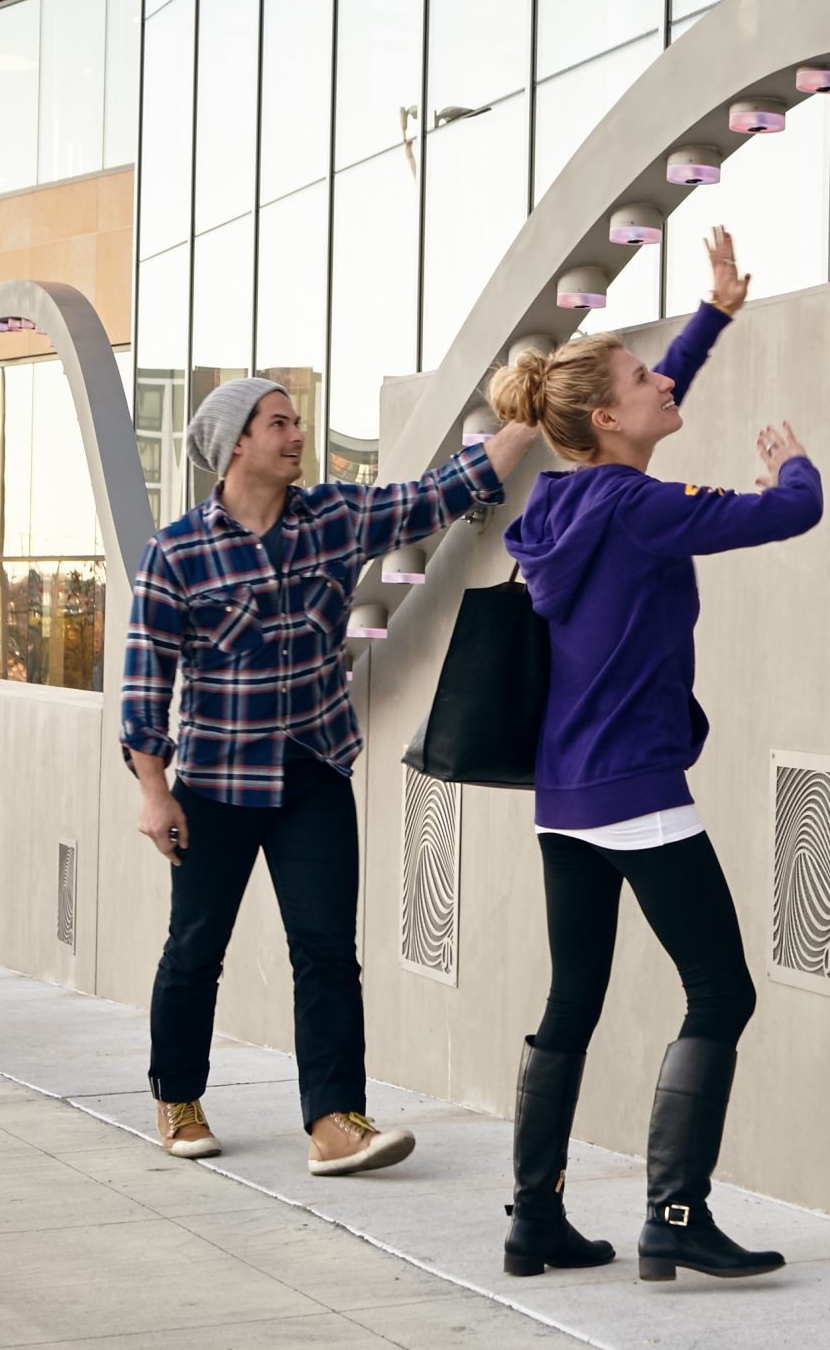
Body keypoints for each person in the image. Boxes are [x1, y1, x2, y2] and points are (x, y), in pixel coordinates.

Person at [488, 227, 822, 1282]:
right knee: (721, 992)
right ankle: (674, 1213)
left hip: (563, 793)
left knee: (571, 1000)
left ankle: (533, 1219)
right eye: (640, 379)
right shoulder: (634, 508)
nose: (659, 384)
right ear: (600, 416)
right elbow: (792, 512)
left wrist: (712, 316)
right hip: (636, 790)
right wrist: (793, 463)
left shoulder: (564, 498)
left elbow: (643, 407)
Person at [121, 376, 537, 1175]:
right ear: (237, 440)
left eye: (295, 421)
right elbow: (148, 682)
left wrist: (523, 419)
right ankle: (178, 1095)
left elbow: (440, 493)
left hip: (312, 770)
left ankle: (334, 1119)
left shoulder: (333, 519)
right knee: (196, 947)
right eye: (278, 423)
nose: (295, 434)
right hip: (214, 782)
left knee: (325, 949)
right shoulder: (177, 551)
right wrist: (152, 788)